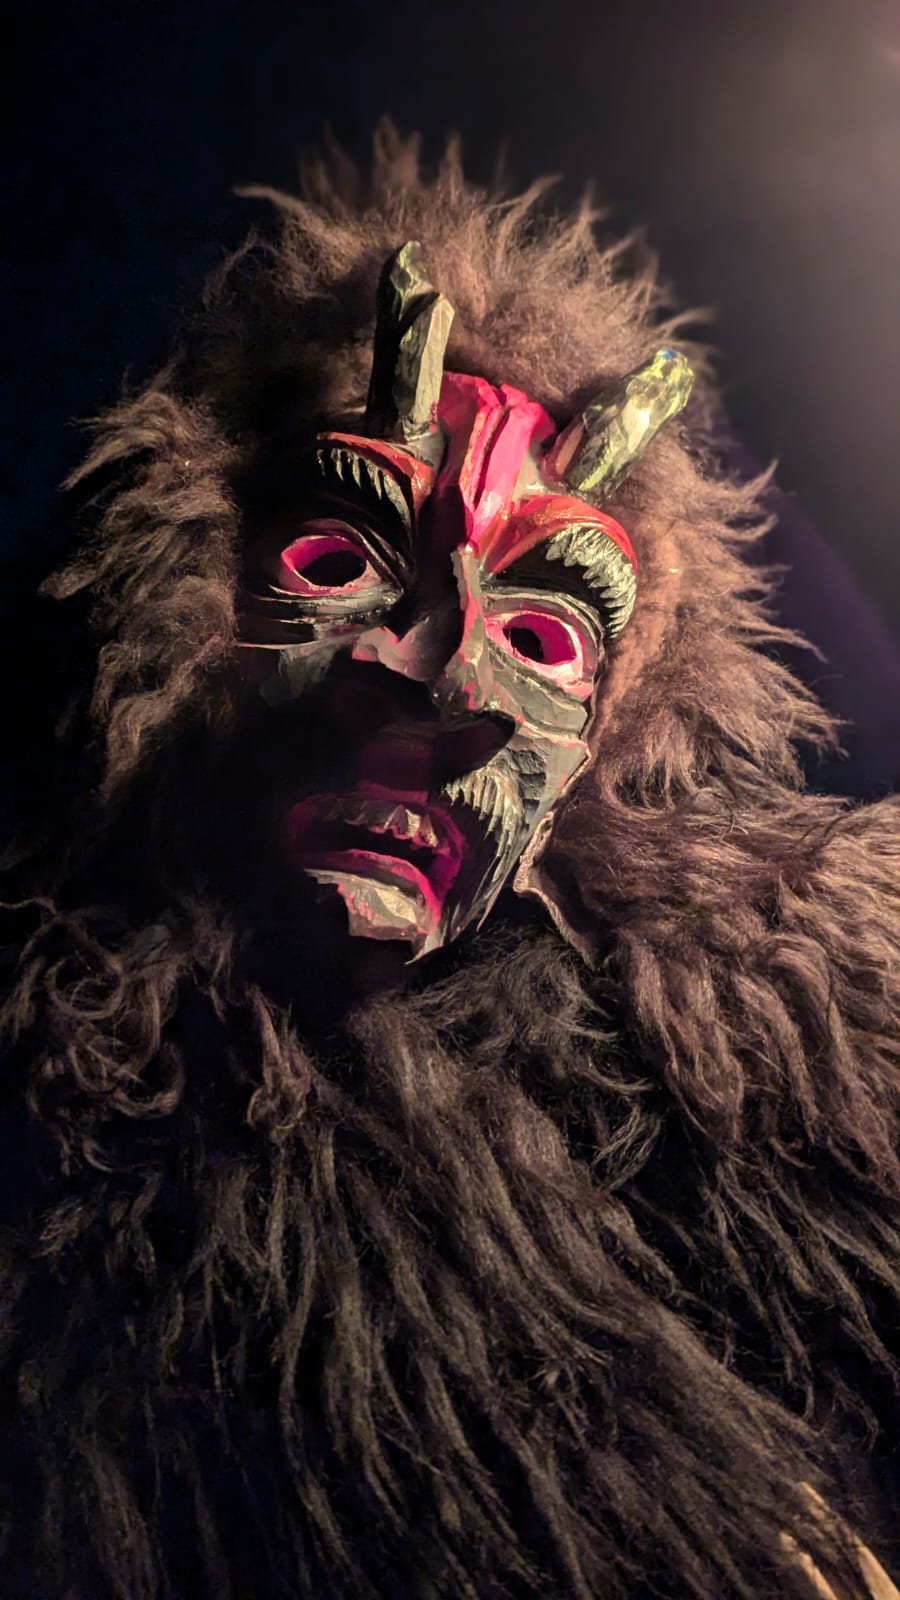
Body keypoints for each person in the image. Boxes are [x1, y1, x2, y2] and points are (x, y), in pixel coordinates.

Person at [2, 129, 898, 1599]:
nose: (437, 686)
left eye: (541, 635)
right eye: (337, 566)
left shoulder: (742, 1083)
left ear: (600, 755)